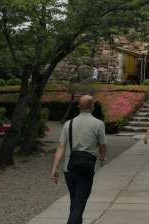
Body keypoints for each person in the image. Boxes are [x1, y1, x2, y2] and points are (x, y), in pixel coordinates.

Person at [51, 95, 107, 224]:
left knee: (75, 200)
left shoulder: (68, 124)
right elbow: (103, 145)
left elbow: (61, 147)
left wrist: (55, 168)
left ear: (78, 107)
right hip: (86, 167)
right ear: (92, 107)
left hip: (69, 168)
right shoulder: (98, 124)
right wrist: (102, 158)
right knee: (79, 203)